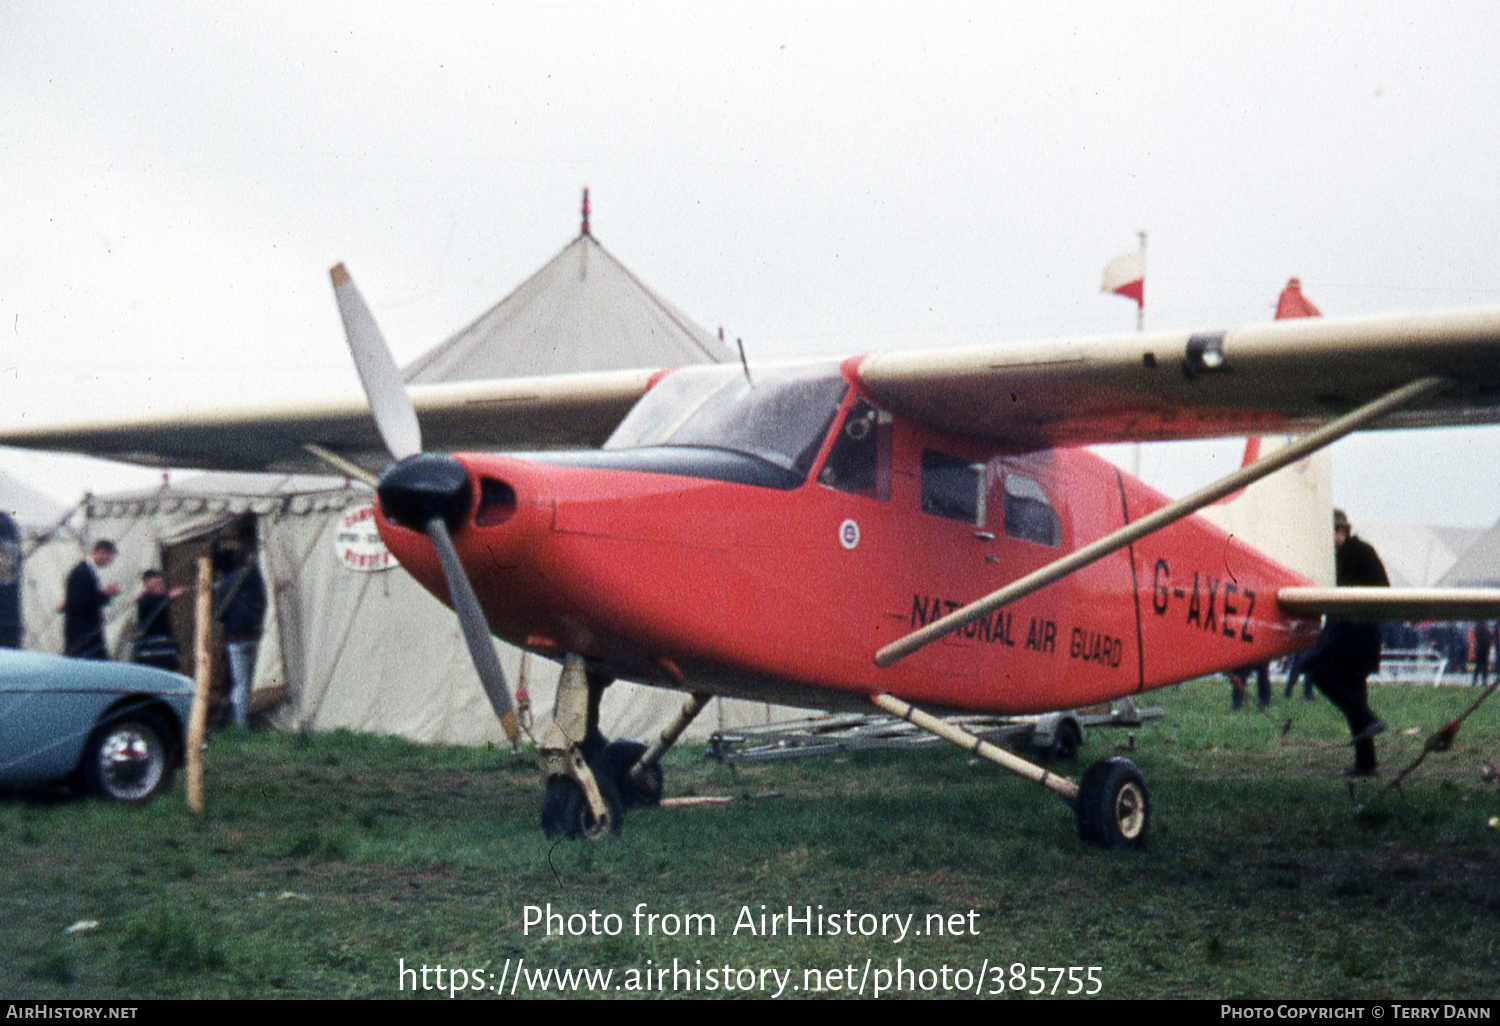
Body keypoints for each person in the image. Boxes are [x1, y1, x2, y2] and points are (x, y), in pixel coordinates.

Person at [1302, 510, 1389, 776]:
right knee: (1354, 691)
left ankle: (1368, 720)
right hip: (1352, 632)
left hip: (1356, 632)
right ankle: (1366, 763)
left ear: (1340, 531)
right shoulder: (1345, 555)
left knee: (1318, 672)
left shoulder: (1358, 553)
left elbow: (1379, 591)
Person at [215, 545, 265, 727]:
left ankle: (240, 723)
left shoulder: (226, 583)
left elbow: (218, 614)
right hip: (255, 634)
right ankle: (254, 719)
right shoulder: (258, 578)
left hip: (234, 638)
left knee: (240, 682)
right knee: (256, 678)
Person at [63, 540, 121, 659]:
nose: (109, 563)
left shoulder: (87, 571)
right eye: (109, 559)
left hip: (87, 632)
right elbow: (83, 603)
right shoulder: (81, 572)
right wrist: (106, 594)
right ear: (101, 552)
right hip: (83, 632)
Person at [132, 569, 184, 672]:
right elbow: (154, 603)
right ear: (146, 584)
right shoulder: (145, 600)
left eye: (160, 583)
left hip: (164, 645)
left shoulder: (160, 600)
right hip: (151, 649)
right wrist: (169, 597)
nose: (159, 586)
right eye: (155, 583)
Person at [1472, 621, 1493, 688]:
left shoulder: (1478, 627)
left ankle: (1476, 681)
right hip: (1483, 649)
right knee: (1483, 666)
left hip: (1481, 648)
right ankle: (1482, 681)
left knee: (1479, 666)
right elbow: (1489, 638)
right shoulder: (1485, 629)